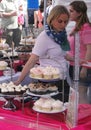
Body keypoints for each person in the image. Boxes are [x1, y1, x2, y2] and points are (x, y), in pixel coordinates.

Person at [14, 5, 70, 102]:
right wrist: (19, 80)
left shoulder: (62, 35)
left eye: (65, 22)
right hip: (48, 84)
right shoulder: (44, 37)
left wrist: (79, 60)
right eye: (60, 21)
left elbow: (63, 55)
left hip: (63, 81)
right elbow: (32, 60)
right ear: (51, 19)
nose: (63, 25)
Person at [66, 1, 91, 103]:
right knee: (77, 95)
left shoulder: (86, 27)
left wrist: (85, 68)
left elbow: (90, 48)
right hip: (74, 65)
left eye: (71, 11)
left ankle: (85, 117)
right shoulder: (77, 27)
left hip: (82, 67)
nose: (69, 13)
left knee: (81, 94)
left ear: (79, 13)